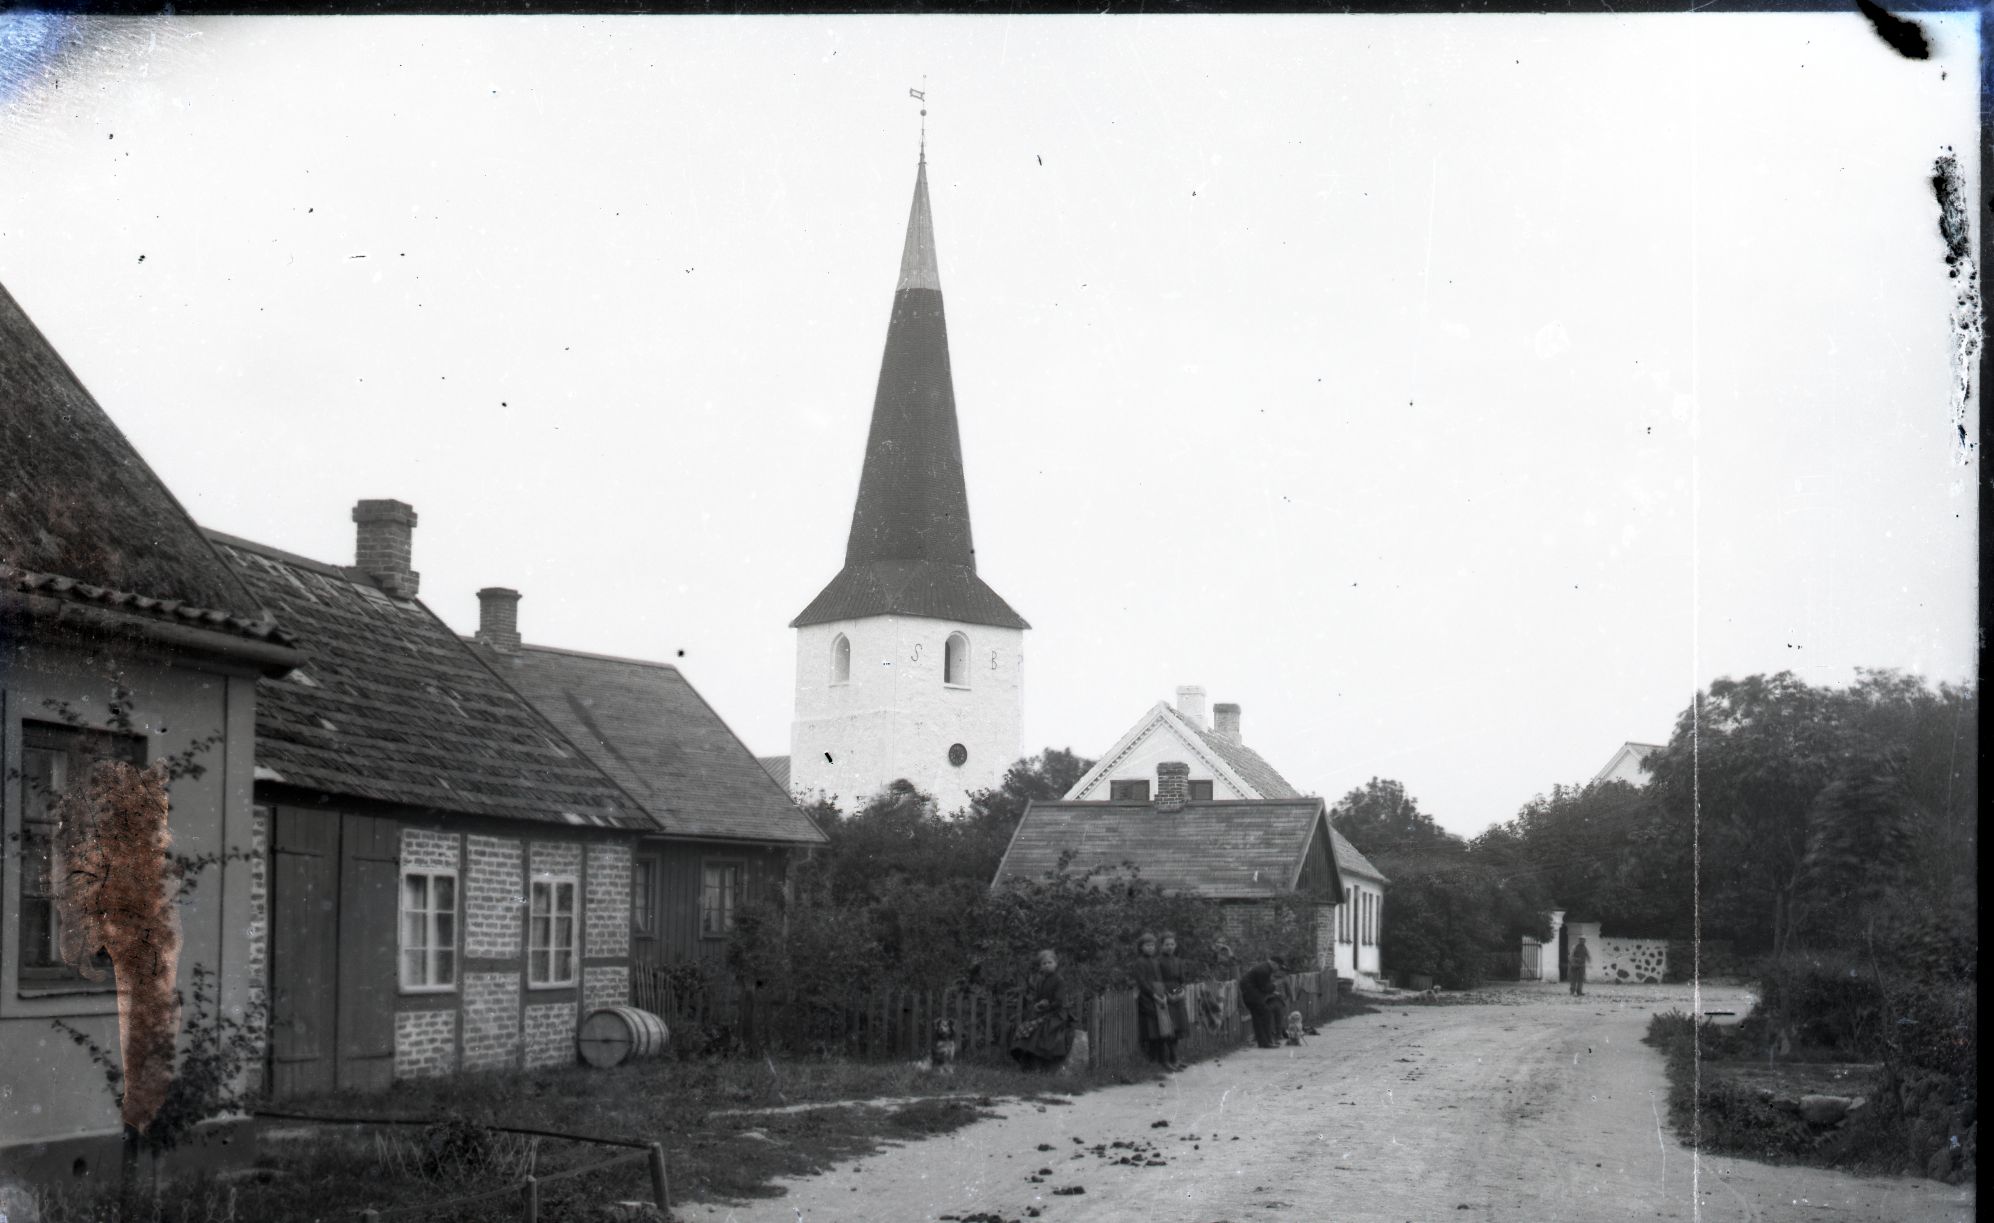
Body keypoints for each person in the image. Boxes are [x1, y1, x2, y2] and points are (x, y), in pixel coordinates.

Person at [1010, 948, 1077, 1071]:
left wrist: (1047, 1005)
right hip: (1043, 1012)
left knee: (1042, 1030)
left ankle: (1040, 1064)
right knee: (1026, 1027)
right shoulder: (1040, 981)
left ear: (1055, 964)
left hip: (1057, 1013)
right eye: (1044, 963)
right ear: (1040, 966)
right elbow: (1037, 998)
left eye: (1049, 962)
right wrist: (1037, 1005)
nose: (1047, 965)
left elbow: (1059, 1002)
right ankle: (1027, 1063)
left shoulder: (1059, 980)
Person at [1132, 932, 1176, 1071]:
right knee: (1152, 1031)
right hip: (1147, 999)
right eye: (1147, 945)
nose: (1150, 948)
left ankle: (1163, 1060)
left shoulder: (1155, 961)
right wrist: (1153, 995)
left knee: (1162, 1029)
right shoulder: (1140, 962)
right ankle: (1154, 1060)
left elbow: (1159, 980)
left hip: (1159, 996)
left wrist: (1162, 995)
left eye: (1152, 945)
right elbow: (1142, 982)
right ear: (1141, 947)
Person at [1158, 931, 1193, 1071]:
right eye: (1167, 944)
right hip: (1164, 996)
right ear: (1161, 946)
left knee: (1178, 1029)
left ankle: (1175, 1058)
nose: (1170, 947)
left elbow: (1182, 980)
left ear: (1175, 945)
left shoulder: (1178, 961)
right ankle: (1166, 1060)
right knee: (1168, 1029)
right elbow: (1158, 980)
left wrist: (1178, 994)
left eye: (1172, 944)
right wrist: (1168, 995)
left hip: (1177, 996)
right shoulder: (1158, 961)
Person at [1239, 955, 1285, 1049]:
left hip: (1250, 996)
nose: (1278, 969)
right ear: (1274, 963)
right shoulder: (1264, 970)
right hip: (1253, 997)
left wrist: (1271, 990)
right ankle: (1267, 1042)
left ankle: (1263, 1042)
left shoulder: (1264, 967)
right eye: (1279, 967)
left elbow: (1261, 986)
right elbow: (1265, 987)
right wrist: (1275, 985)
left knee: (1258, 1018)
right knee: (1266, 1014)